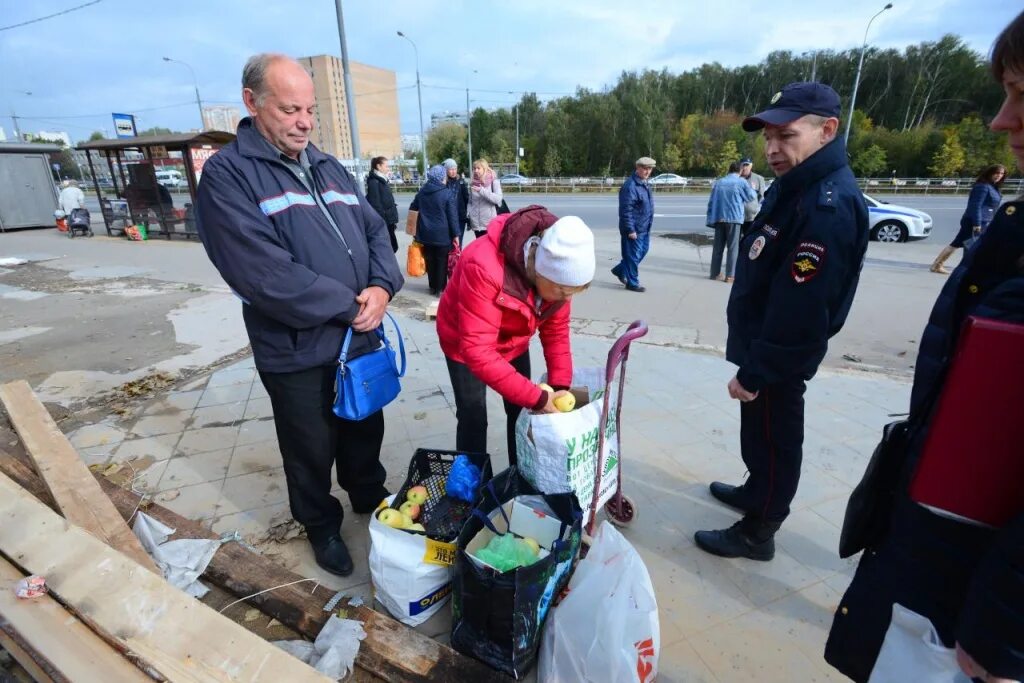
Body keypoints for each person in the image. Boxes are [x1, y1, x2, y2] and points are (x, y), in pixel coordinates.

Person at [825, 12, 1024, 682]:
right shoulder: (1015, 226)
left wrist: (1003, 632)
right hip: (948, 551)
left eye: (1023, 94)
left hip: (980, 608)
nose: (1001, 120)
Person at [195, 53, 404, 578]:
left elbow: (376, 230)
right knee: (309, 444)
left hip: (357, 335)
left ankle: (368, 493)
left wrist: (381, 287)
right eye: (290, 110)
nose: (305, 121)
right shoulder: (229, 176)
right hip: (297, 348)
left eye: (310, 109)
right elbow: (262, 273)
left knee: (363, 424)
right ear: (252, 103)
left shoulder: (328, 164)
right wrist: (350, 304)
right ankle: (320, 524)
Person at [693, 82, 869, 561]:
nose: (772, 149)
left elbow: (803, 310)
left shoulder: (825, 206)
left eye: (786, 136)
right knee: (760, 430)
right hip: (763, 346)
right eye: (768, 137)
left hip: (777, 355)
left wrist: (756, 370)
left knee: (776, 434)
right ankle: (757, 491)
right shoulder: (798, 187)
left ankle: (759, 531)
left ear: (827, 131)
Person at [436, 205, 594, 465]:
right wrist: (539, 397)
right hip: (464, 342)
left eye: (572, 293)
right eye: (563, 292)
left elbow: (556, 333)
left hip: (513, 341)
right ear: (540, 270)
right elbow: (478, 350)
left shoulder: (557, 280)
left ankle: (518, 472)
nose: (566, 299)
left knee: (520, 410)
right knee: (473, 415)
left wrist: (559, 388)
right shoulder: (484, 265)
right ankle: (471, 486)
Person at [931, 164, 1006, 274]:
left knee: (959, 243)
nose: (999, 175)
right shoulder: (983, 186)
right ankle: (941, 266)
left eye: (1001, 174)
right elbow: (975, 206)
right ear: (990, 173)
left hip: (984, 221)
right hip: (975, 222)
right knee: (965, 244)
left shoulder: (993, 187)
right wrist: (977, 223)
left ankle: (938, 265)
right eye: (997, 173)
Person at [410, 164, 459, 295]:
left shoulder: (422, 192)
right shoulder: (446, 193)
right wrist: (456, 235)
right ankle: (440, 289)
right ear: (442, 177)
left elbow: (413, 208)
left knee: (430, 260)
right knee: (441, 261)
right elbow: (452, 216)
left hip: (425, 234)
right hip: (442, 234)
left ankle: (432, 286)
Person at [706, 161, 757, 283]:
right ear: (740, 170)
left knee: (717, 248)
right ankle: (730, 275)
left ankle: (715, 273)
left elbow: (711, 202)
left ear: (729, 170)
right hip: (734, 218)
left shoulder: (719, 182)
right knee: (733, 248)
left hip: (719, 218)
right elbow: (750, 197)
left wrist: (710, 218)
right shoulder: (741, 182)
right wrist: (753, 189)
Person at [611, 157, 655, 292]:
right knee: (633, 256)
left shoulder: (644, 183)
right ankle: (632, 283)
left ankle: (620, 270)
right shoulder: (630, 186)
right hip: (633, 229)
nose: (647, 171)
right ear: (638, 168)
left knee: (642, 252)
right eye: (644, 168)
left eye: (649, 169)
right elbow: (625, 211)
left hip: (644, 227)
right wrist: (630, 229)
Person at [365, 156, 399, 253]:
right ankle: (386, 266)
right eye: (386, 166)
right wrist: (383, 221)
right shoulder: (374, 181)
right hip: (384, 221)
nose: (388, 168)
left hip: (389, 220)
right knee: (388, 248)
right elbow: (375, 204)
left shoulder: (381, 179)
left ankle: (388, 265)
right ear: (378, 166)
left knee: (392, 247)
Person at [467, 158, 503, 239]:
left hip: (489, 224)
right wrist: (470, 213)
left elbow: (498, 199)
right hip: (476, 225)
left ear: (484, 169)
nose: (476, 170)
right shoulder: (473, 182)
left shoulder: (494, 181)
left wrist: (481, 190)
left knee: (489, 249)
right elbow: (470, 201)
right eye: (474, 168)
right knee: (479, 249)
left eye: (478, 168)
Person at [443, 158, 470, 242]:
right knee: (449, 242)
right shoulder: (443, 182)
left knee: (458, 243)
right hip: (447, 217)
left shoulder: (461, 182)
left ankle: (458, 255)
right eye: (451, 169)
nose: (453, 171)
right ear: (446, 170)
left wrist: (467, 215)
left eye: (455, 169)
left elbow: (467, 198)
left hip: (460, 218)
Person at [739, 158, 767, 237]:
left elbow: (761, 196)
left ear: (751, 166)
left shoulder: (759, 179)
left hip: (752, 217)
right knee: (736, 241)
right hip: (737, 217)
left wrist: (754, 207)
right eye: (743, 165)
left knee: (749, 239)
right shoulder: (736, 178)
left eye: (747, 165)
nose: (745, 167)